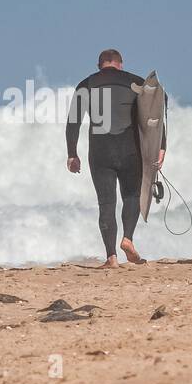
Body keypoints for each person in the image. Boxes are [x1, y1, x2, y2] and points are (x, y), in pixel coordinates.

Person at [66, 48, 165, 267]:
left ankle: (111, 257)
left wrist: (72, 153)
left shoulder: (86, 84)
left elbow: (73, 121)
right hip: (131, 150)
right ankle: (127, 238)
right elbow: (157, 108)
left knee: (106, 203)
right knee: (132, 196)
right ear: (120, 64)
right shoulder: (135, 82)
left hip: (100, 151)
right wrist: (161, 146)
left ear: (99, 65)